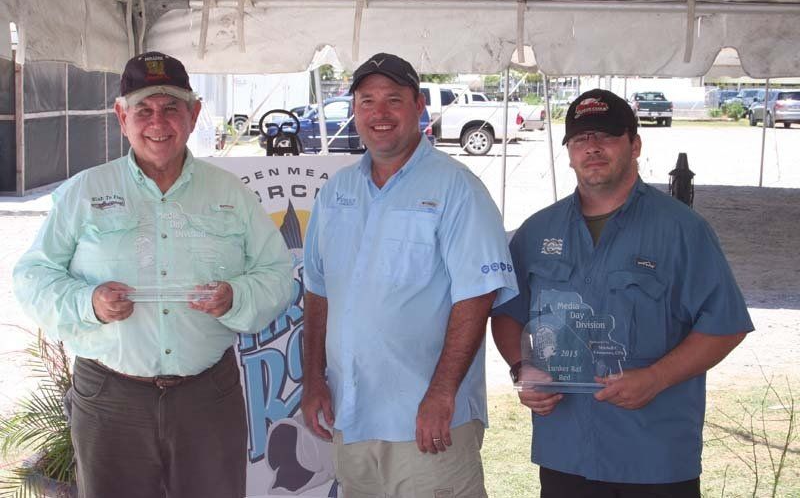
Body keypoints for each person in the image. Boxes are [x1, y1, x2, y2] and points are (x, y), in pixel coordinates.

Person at [13, 51, 294, 498]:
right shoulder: (85, 191)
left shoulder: (229, 193)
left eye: (171, 108)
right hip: (109, 396)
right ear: (121, 116)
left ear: (194, 114)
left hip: (207, 394)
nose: (157, 122)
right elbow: (32, 276)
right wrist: (89, 304)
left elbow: (278, 275)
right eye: (143, 109)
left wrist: (236, 298)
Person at [491, 88, 754, 497]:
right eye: (580, 139)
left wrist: (655, 377)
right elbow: (507, 312)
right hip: (565, 452)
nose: (592, 148)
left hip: (653, 456)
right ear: (569, 152)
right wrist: (522, 369)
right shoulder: (537, 231)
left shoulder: (682, 230)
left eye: (607, 136)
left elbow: (725, 325)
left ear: (635, 145)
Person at [300, 52, 518, 497]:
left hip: (427, 419)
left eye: (393, 100)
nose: (379, 114)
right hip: (353, 415)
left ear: (419, 106)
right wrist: (314, 378)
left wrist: (441, 394)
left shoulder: (457, 188)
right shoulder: (336, 191)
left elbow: (477, 297)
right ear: (355, 110)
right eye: (367, 101)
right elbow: (318, 291)